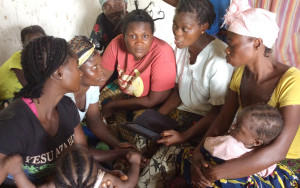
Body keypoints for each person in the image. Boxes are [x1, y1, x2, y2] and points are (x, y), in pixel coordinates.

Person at [188, 0, 300, 187]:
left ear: (257, 43)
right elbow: (224, 119)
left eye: (232, 43)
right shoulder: (240, 73)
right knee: (191, 158)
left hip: (282, 160)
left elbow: (279, 150)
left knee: (219, 180)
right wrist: (199, 152)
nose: (227, 49)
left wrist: (218, 171)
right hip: (246, 148)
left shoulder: (291, 81)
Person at [137, 0, 234, 187]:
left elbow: (217, 113)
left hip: (205, 123)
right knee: (141, 135)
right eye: (175, 26)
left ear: (204, 27)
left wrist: (183, 136)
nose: (177, 33)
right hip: (182, 113)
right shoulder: (180, 49)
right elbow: (178, 93)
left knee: (164, 155)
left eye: (185, 28)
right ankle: (131, 167)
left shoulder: (218, 60)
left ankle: (145, 178)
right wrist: (155, 117)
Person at [99, 7, 176, 142]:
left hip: (149, 103)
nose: (139, 42)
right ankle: (109, 135)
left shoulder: (162, 54)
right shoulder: (117, 43)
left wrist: (114, 105)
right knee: (95, 103)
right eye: (132, 36)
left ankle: (123, 149)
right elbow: (100, 78)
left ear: (153, 36)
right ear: (124, 36)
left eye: (145, 36)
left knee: (140, 131)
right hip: (125, 90)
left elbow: (153, 101)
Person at [66, 36, 137, 158]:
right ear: (78, 71)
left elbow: (93, 119)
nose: (102, 71)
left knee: (107, 142)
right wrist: (119, 153)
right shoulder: (65, 99)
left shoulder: (91, 86)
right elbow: (82, 151)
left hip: (75, 139)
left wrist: (118, 144)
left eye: (100, 64)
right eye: (95, 67)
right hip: (56, 148)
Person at [199, 105, 299, 187]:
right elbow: (268, 169)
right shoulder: (261, 155)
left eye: (238, 127)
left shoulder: (228, 144)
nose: (232, 126)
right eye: (235, 123)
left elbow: (208, 143)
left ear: (257, 142)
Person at [54, 144, 141, 188]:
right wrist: (135, 163)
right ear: (95, 166)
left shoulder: (62, 182)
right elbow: (128, 185)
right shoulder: (104, 180)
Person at [0, 25, 46, 108]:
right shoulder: (17, 59)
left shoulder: (44, 56)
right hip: (9, 97)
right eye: (30, 44)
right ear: (23, 45)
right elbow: (30, 88)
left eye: (40, 42)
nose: (36, 47)